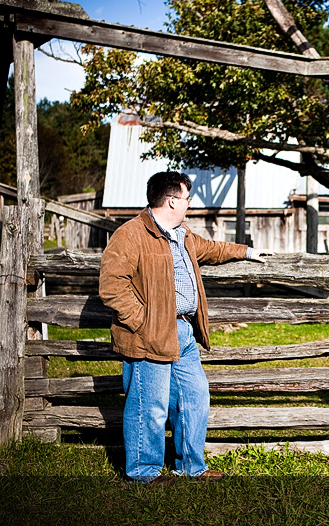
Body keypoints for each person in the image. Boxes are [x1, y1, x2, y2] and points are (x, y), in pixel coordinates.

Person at [99, 171, 274, 483]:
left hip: (183, 332)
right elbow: (112, 287)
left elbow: (211, 249)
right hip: (148, 336)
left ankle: (191, 467)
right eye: (186, 198)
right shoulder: (131, 235)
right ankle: (142, 473)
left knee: (194, 398)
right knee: (148, 406)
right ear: (171, 200)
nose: (189, 204)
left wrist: (246, 252)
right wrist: (144, 322)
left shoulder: (181, 234)